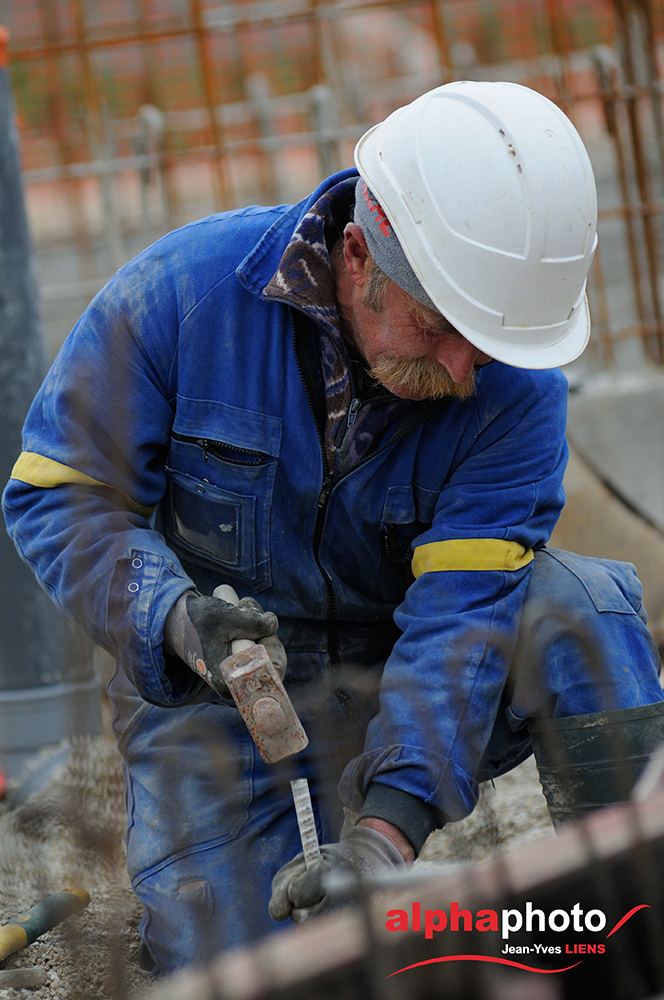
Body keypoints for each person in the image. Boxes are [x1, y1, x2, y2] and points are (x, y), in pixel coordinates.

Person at [3, 81, 664, 974]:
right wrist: (173, 619)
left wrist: (382, 842)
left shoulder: (516, 391)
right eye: (439, 327)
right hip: (219, 699)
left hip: (403, 657)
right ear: (358, 254)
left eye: (491, 341)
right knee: (253, 964)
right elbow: (58, 495)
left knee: (582, 608)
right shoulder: (183, 297)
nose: (467, 369)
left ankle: (633, 933)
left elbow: (464, 616)